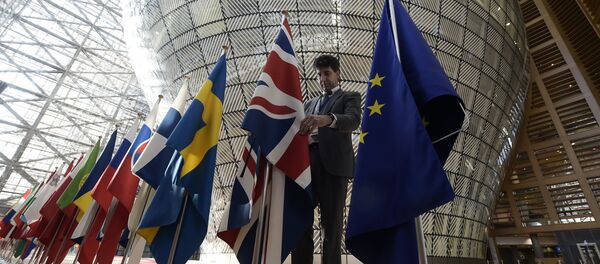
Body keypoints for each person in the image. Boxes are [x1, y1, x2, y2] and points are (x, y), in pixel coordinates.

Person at [293, 55, 361, 264]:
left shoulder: (350, 97)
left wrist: (327, 119)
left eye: (327, 73)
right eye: (319, 75)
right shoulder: (309, 104)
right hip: (306, 168)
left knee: (331, 228)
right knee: (300, 222)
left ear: (338, 74)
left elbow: (353, 121)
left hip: (333, 169)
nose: (323, 78)